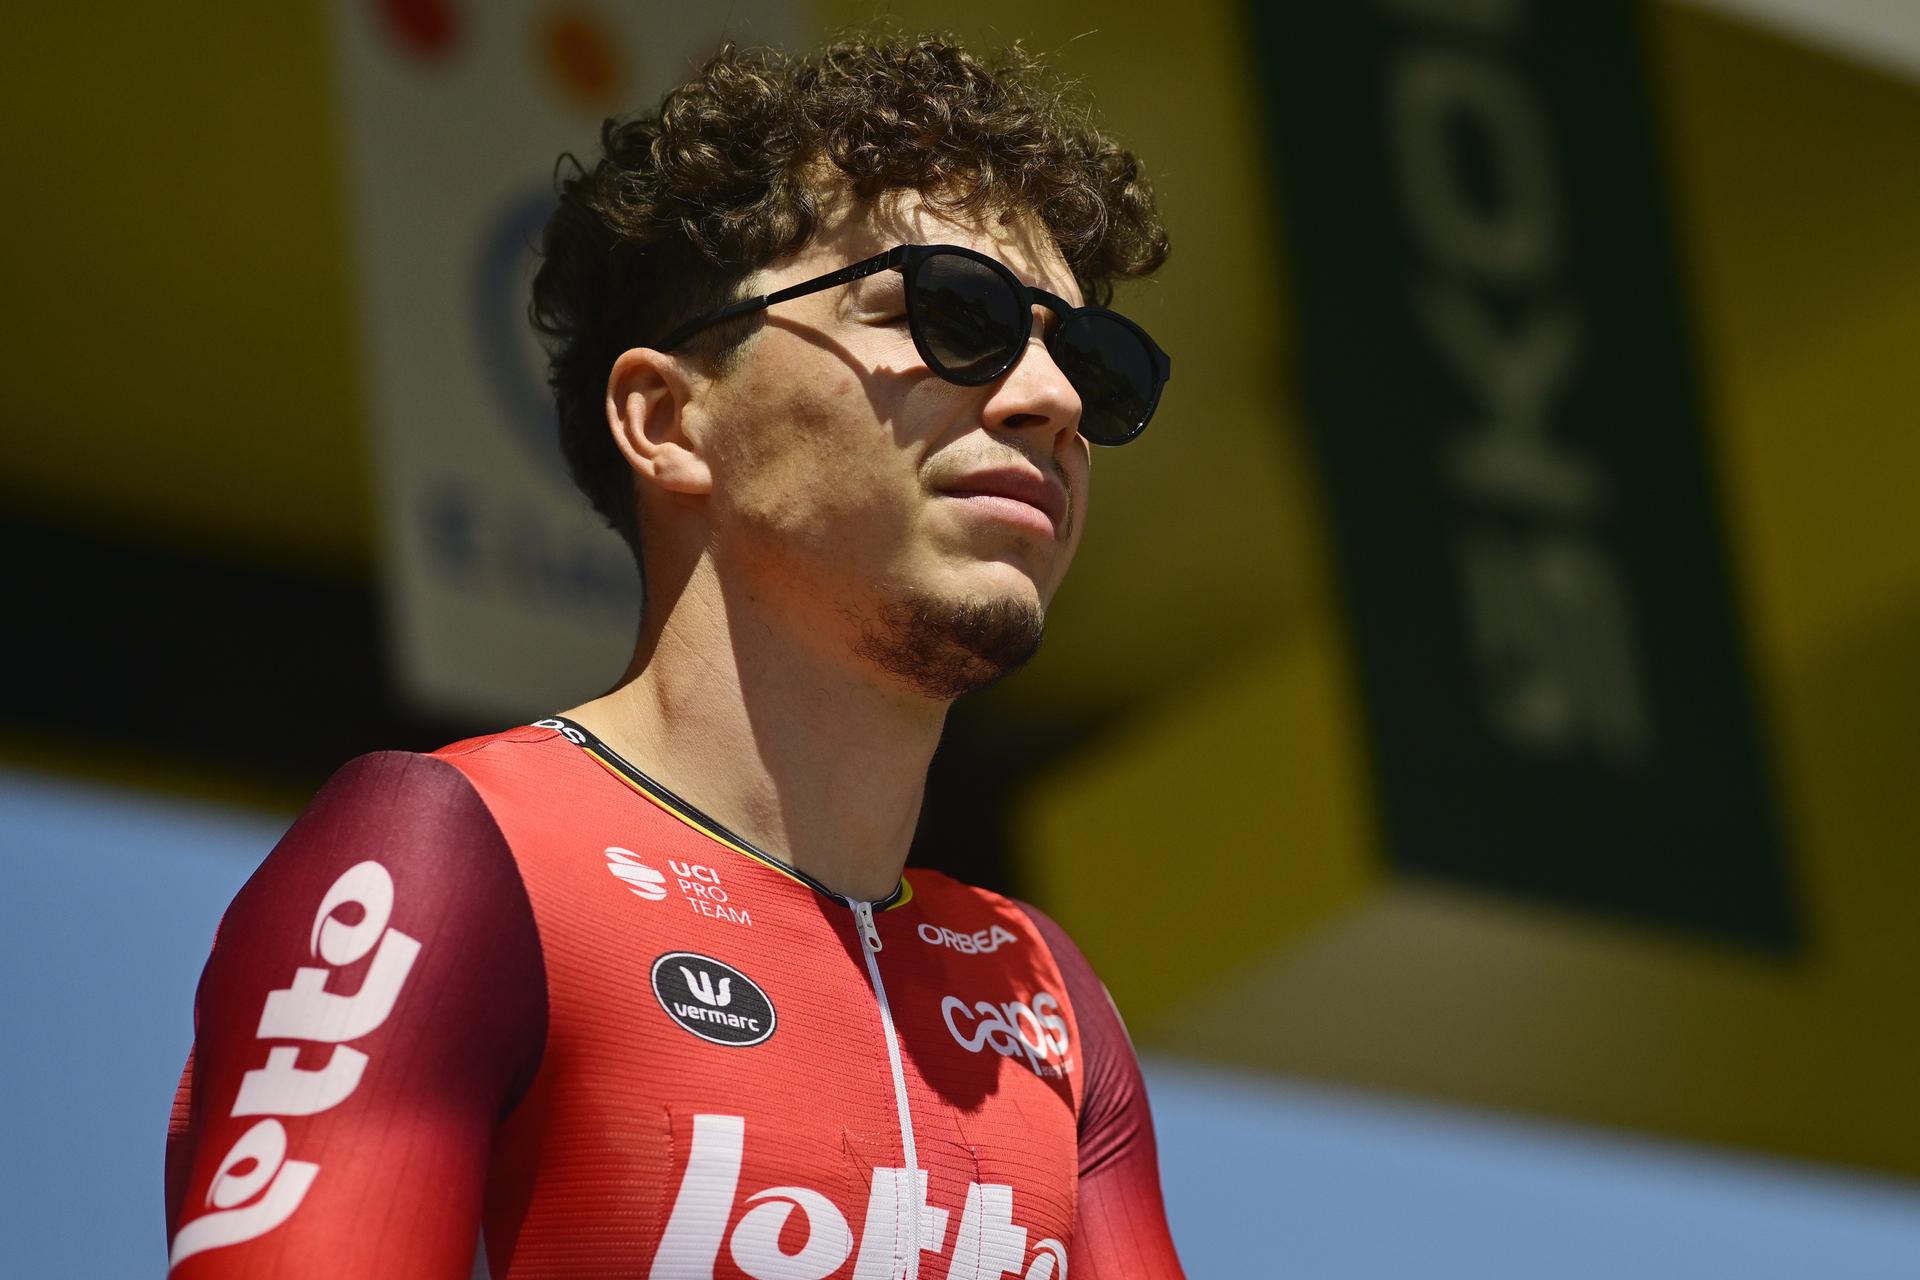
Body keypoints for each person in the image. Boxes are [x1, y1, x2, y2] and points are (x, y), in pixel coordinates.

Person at [164, 32, 1182, 1279]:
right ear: (667, 418)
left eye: (1091, 361)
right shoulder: (448, 851)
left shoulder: (1047, 993)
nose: (1051, 398)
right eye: (952, 311)